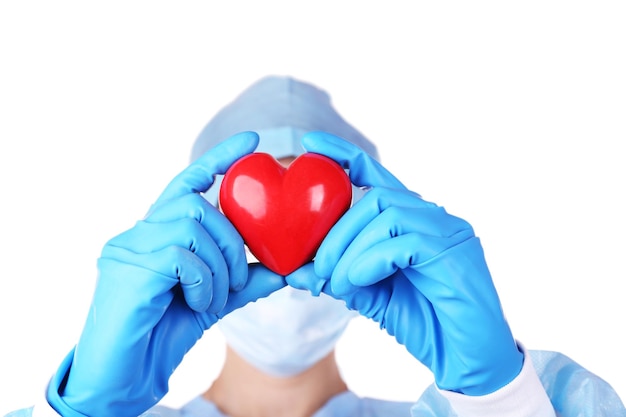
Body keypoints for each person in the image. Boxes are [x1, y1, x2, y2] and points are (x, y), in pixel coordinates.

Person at [5, 75, 625, 417]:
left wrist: (503, 399)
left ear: (380, 239)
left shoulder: (537, 405)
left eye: (326, 221)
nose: (287, 248)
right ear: (190, 237)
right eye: (243, 221)